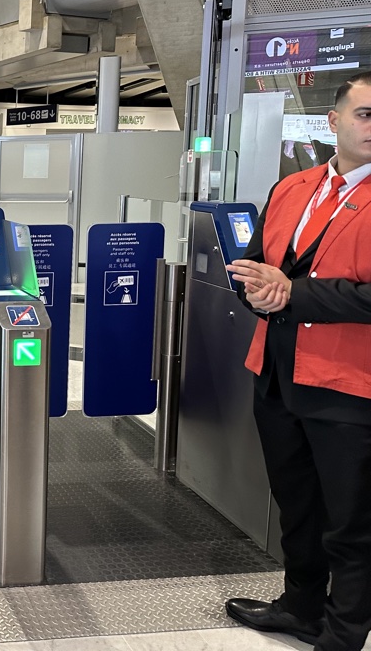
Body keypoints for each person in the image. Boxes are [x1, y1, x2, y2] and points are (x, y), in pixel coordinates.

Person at [224, 70, 371, 651]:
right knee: (298, 505)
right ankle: (301, 608)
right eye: (364, 114)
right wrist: (253, 289)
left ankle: (342, 632)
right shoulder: (293, 188)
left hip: (349, 381)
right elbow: (259, 263)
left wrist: (295, 293)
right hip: (278, 373)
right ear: (333, 122)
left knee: (352, 521)